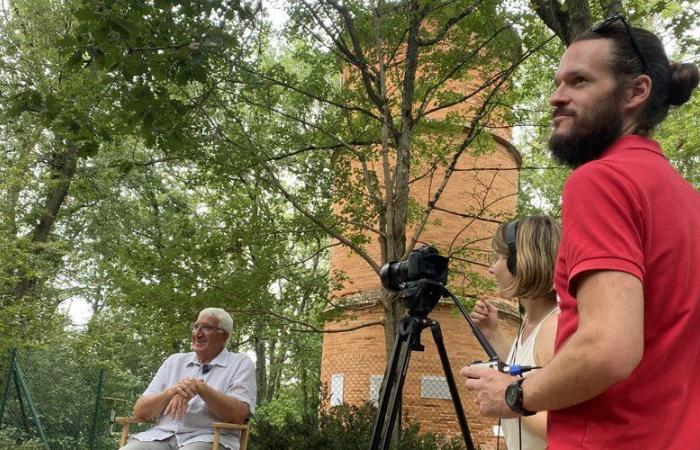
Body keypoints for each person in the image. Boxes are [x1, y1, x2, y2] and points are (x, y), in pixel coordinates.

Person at [461, 15, 700, 449]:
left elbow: (608, 348)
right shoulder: (688, 200)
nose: (556, 97)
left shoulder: (602, 180)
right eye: (557, 83)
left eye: (579, 82)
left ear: (636, 91)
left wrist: (514, 395)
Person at [471, 216, 560, 449]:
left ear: (521, 262)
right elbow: (521, 374)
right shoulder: (530, 323)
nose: (492, 268)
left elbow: (561, 426)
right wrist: (493, 334)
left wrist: (508, 399)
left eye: (500, 257)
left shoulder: (553, 328)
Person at [121, 307, 256, 450]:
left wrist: (200, 388)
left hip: (209, 438)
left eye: (207, 328)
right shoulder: (174, 361)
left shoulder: (240, 363)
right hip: (160, 437)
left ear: (223, 336)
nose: (197, 333)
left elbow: (238, 415)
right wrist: (172, 391)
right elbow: (140, 412)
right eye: (196, 326)